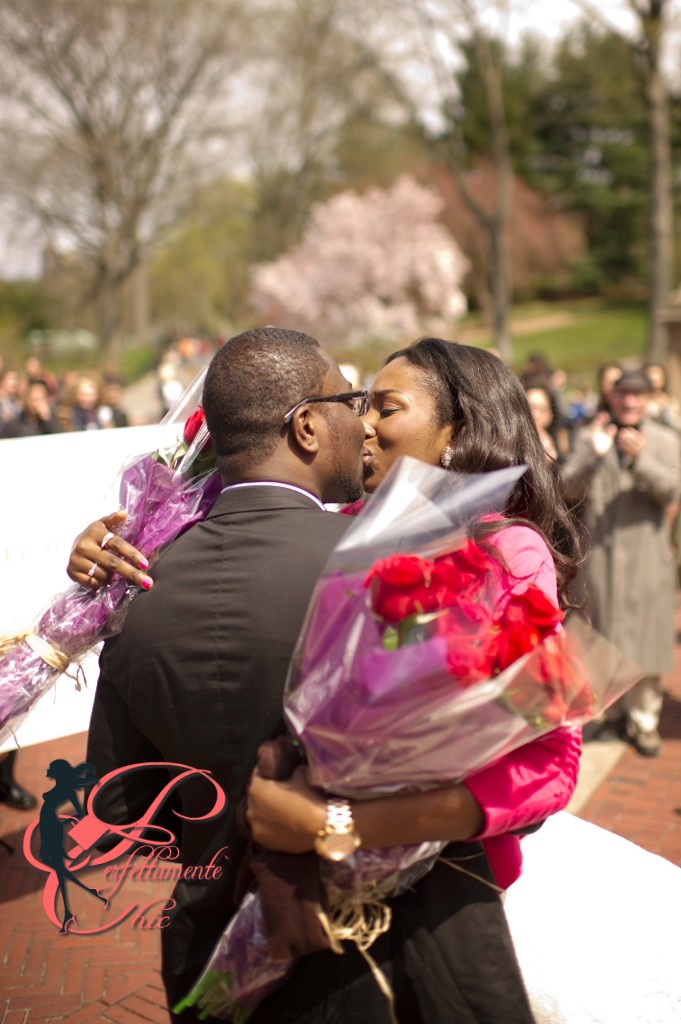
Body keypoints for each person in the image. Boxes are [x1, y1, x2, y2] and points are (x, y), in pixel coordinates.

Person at [69, 332, 581, 1022]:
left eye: (384, 407)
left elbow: (549, 764)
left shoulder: (497, 551)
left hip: (417, 915)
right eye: (356, 404)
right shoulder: (358, 537)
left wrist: (339, 821)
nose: (362, 424)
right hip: (273, 931)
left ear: (456, 433)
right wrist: (122, 547)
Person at [562, 368, 681, 756]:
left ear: (648, 399)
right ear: (611, 396)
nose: (629, 401)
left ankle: (643, 721)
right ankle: (609, 714)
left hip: (646, 557)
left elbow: (673, 490)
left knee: (646, 641)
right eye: (623, 393)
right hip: (600, 557)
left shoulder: (665, 440)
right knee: (600, 638)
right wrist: (594, 458)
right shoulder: (590, 436)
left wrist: (641, 459)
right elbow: (566, 489)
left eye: (637, 394)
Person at [38, 759, 107, 933]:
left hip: (52, 827)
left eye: (52, 769)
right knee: (58, 868)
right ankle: (90, 894)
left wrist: (67, 824)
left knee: (58, 868)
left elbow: (80, 813)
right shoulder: (63, 785)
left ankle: (69, 912)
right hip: (48, 826)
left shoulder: (67, 788)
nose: (49, 771)